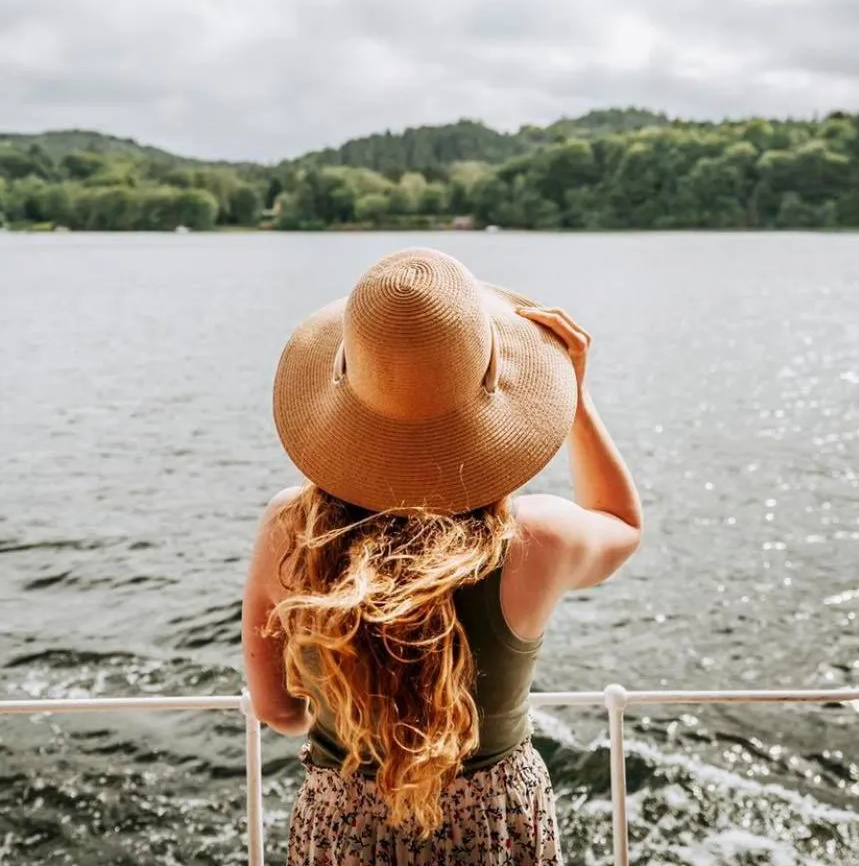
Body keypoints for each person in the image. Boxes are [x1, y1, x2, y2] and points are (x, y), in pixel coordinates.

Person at [241, 247, 642, 865]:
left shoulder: (287, 528)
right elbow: (621, 524)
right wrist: (579, 400)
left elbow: (277, 711)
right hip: (494, 824)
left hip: (343, 827)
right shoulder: (536, 537)